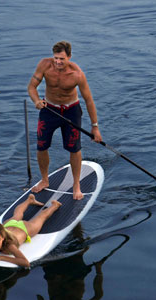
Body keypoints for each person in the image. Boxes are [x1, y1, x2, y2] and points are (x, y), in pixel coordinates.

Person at [27, 40, 103, 200]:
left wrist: (95, 127)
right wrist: (36, 101)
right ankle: (45, 180)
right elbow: (31, 87)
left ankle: (76, 185)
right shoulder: (44, 65)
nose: (57, 62)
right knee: (41, 146)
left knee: (74, 149)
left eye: (61, 58)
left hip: (71, 111)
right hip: (49, 109)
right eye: (56, 58)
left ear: (69, 57)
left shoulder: (77, 74)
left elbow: (89, 100)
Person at [0, 194, 62, 268]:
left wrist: (1, 258)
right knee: (17, 214)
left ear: (3, 238)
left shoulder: (9, 245)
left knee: (41, 218)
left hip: (24, 228)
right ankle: (29, 200)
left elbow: (25, 263)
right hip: (8, 225)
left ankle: (55, 205)